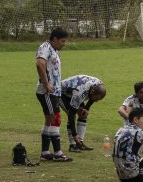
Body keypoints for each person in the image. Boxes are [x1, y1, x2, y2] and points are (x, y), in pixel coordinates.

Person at [34, 28, 71, 162]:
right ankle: (58, 153)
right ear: (54, 39)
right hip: (46, 92)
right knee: (55, 118)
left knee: (50, 120)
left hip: (53, 92)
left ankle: (45, 152)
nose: (64, 44)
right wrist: (46, 84)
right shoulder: (45, 47)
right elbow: (40, 63)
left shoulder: (53, 50)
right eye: (62, 41)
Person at [59, 74, 106, 153]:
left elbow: (92, 98)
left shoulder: (98, 85)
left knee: (83, 114)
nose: (97, 101)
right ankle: (73, 144)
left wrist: (86, 108)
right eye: (97, 99)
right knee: (72, 115)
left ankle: (79, 143)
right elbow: (71, 114)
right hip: (62, 93)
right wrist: (74, 134)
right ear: (92, 92)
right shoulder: (80, 93)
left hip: (76, 90)